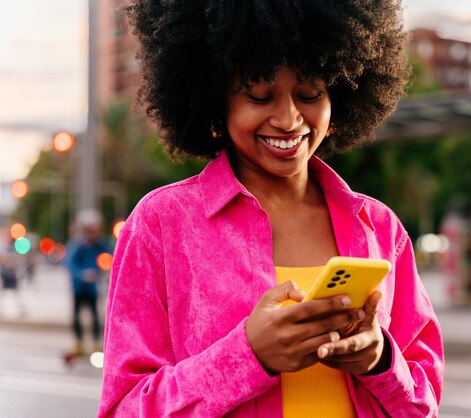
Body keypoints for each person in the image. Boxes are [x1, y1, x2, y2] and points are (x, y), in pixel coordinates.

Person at [99, 1, 444, 416]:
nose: (288, 118)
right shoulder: (163, 224)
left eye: (310, 93)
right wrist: (248, 356)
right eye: (260, 95)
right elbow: (123, 409)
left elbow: (423, 405)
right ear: (215, 103)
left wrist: (380, 361)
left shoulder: (379, 227)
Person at [65, 209, 111, 355]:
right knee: (76, 315)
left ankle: (97, 342)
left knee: (95, 315)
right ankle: (79, 342)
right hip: (79, 287)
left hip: (93, 287)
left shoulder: (100, 244)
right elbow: (70, 264)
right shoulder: (77, 245)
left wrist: (100, 269)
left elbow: (111, 255)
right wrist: (82, 274)